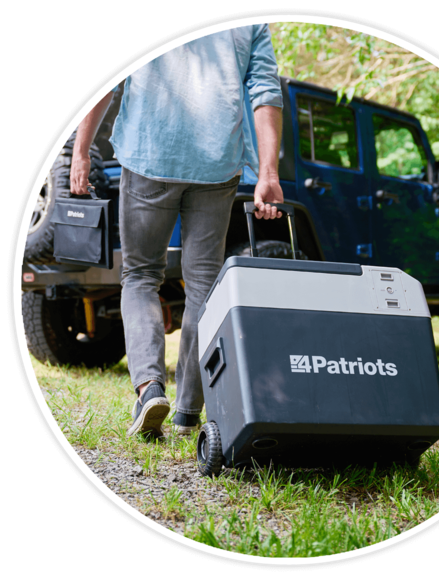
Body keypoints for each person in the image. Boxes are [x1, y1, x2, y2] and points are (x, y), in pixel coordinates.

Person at [69, 24, 284, 438]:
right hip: (216, 162)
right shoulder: (254, 23)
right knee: (203, 285)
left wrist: (81, 152)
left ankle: (149, 389)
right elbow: (265, 91)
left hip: (151, 152)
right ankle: (188, 411)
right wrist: (269, 173)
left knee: (141, 275)